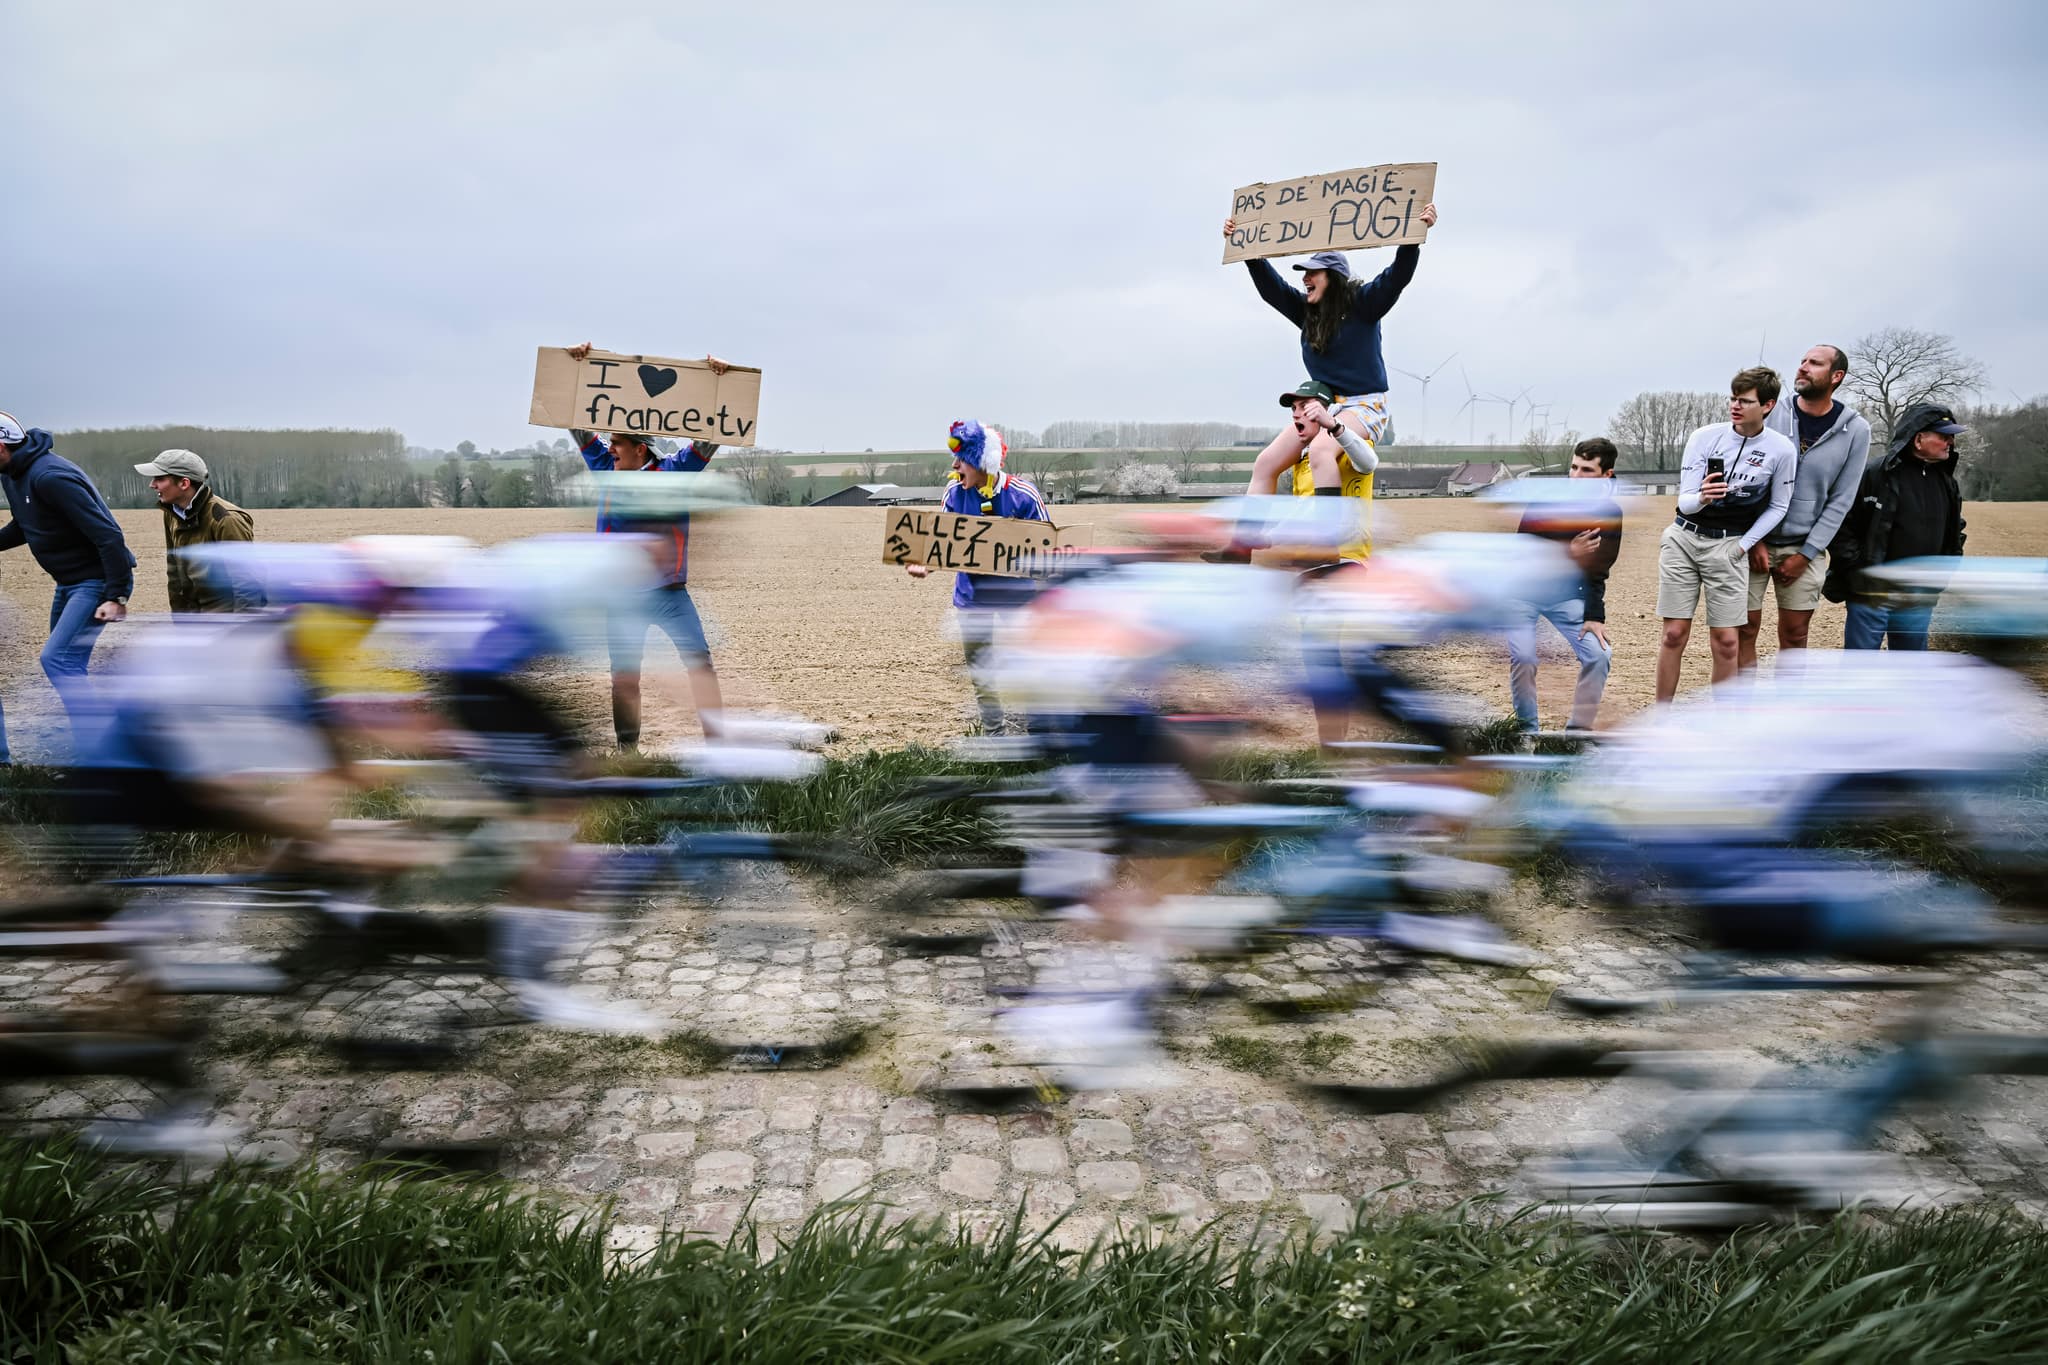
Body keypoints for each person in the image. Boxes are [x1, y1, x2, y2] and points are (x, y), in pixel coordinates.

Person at [1206, 207, 1438, 560]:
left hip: (1364, 403)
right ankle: (1242, 546)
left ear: (1334, 277)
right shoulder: (1306, 313)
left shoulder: (1364, 304)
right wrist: (1248, 251)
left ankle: (1327, 543)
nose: (1305, 279)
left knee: (1320, 449)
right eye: (1304, 273)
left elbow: (1397, 277)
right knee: (1266, 461)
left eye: (1313, 273)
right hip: (1323, 405)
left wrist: (1413, 236)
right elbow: (1273, 291)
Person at [566, 342, 729, 751]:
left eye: (616, 444)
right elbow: (577, 422)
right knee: (624, 677)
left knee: (701, 667)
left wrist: (717, 383)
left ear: (640, 449)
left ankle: (717, 748)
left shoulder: (674, 471)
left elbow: (710, 437)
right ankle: (627, 753)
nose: (608, 448)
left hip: (671, 596)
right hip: (621, 599)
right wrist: (577, 368)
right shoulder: (604, 469)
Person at [0, 409, 136, 763]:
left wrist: (116, 595)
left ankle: (110, 754)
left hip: (96, 581)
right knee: (68, 668)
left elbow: (109, 535)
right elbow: (26, 524)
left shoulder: (51, 476)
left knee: (57, 661)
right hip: (69, 583)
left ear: (2, 445)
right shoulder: (13, 474)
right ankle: (95, 755)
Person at [1655, 368, 1796, 701]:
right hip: (1684, 539)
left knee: (1728, 641)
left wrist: (1743, 546)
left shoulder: (1781, 450)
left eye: (1745, 401)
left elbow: (1779, 507)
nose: (1735, 406)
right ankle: (1660, 720)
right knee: (1674, 634)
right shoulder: (1703, 437)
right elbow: (1685, 503)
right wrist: (1704, 496)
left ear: (1768, 405)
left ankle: (1723, 726)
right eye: (1733, 398)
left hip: (1730, 544)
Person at [904, 419, 1051, 733]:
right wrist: (924, 563)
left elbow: (1047, 548)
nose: (955, 466)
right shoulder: (954, 493)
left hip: (1018, 600)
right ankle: (994, 731)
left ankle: (1039, 732)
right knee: (981, 668)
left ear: (982, 462)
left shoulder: (1024, 495)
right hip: (972, 599)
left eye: (962, 459)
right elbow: (941, 541)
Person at [1740, 345, 1871, 667]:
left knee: (1796, 634)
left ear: (1836, 376)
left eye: (1814, 363)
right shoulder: (1771, 412)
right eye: (1802, 361)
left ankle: (1788, 711)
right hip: (1753, 542)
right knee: (1744, 629)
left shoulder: (1855, 430)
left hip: (1803, 547)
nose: (1802, 368)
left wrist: (1807, 554)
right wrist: (1754, 537)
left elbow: (1842, 498)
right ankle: (1742, 709)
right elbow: (1745, 479)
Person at [1505, 437, 1623, 731]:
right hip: (1523, 594)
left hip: (1566, 597)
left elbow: (1598, 570)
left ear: (1605, 475)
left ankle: (1577, 733)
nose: (1576, 477)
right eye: (1573, 467)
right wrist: (1567, 553)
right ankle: (1527, 732)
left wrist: (1595, 617)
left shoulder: (1610, 514)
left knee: (1599, 654)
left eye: (1586, 471)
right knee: (1524, 657)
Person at [1829, 404, 1967, 652]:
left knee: (1910, 672)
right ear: (1918, 438)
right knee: (1859, 670)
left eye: (1951, 436)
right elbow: (1841, 525)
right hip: (1871, 594)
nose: (1951, 442)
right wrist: (1859, 572)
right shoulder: (1875, 474)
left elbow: (1955, 530)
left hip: (1919, 596)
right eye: (1943, 436)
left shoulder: (1947, 481)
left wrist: (1946, 570)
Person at [134, 448, 258, 612]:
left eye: (160, 478)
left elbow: (246, 584)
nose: (152, 485)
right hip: (195, 623)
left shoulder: (226, 520)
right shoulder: (172, 514)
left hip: (225, 623)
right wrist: (181, 622)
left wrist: (241, 632)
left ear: (184, 483)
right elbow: (174, 573)